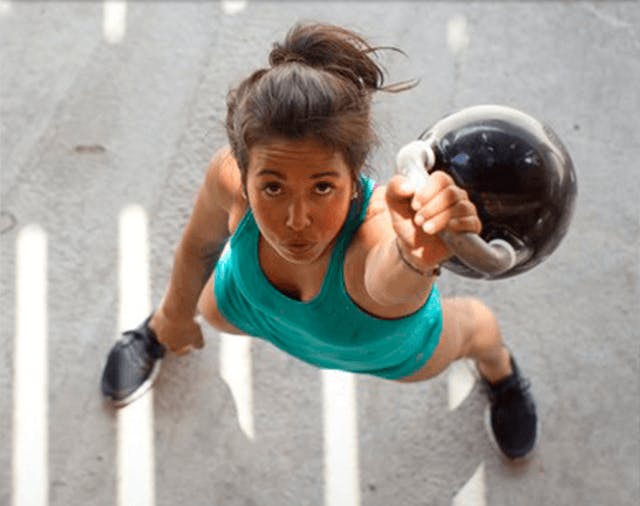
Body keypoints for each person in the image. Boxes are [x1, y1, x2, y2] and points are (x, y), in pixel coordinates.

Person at [101, 22, 537, 461]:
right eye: (272, 188)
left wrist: (413, 255)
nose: (297, 219)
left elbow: (387, 280)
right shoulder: (226, 178)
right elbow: (199, 246)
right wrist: (174, 318)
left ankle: (502, 374)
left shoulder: (381, 226)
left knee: (476, 331)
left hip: (384, 354)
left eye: (322, 187)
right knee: (207, 309)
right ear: (243, 171)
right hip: (253, 311)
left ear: (353, 178)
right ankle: (154, 332)